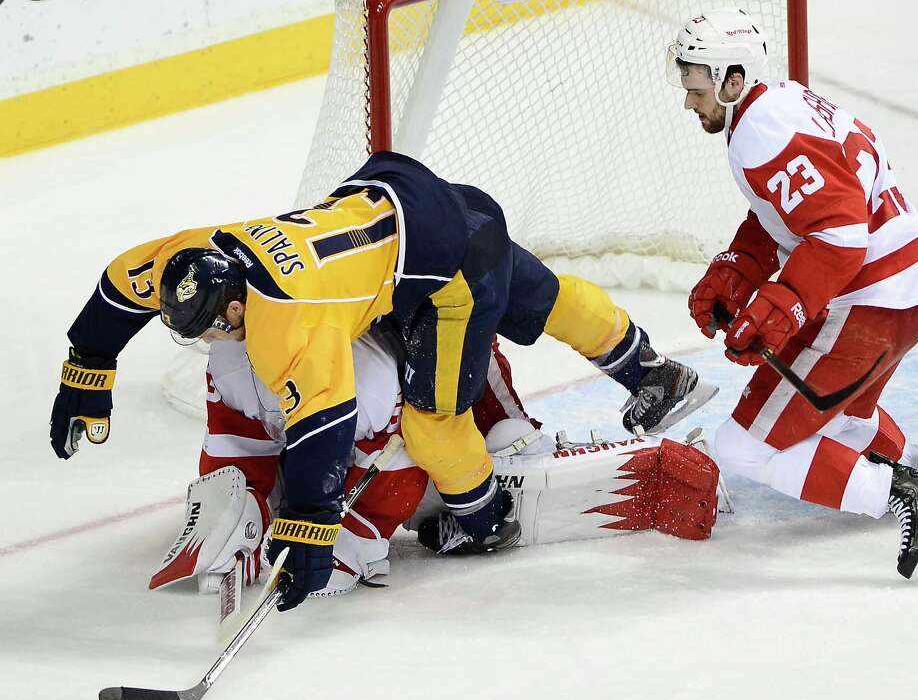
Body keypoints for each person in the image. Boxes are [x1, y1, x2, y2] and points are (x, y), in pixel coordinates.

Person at [49, 152, 717, 610]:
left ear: (233, 307)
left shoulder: (286, 320)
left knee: (430, 418)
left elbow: (327, 420)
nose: (206, 343)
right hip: (403, 196)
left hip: (451, 270)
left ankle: (483, 519)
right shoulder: (207, 248)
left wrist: (310, 526)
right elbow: (120, 283)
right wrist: (89, 366)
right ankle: (652, 372)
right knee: (537, 299)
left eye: (210, 330)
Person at [669, 8, 918, 582]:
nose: (691, 103)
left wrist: (782, 306)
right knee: (840, 417)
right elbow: (789, 211)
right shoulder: (781, 102)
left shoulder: (761, 130)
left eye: (697, 88)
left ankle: (910, 494)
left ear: (733, 78)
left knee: (742, 447)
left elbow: (839, 233)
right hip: (910, 290)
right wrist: (743, 267)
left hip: (870, 302)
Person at [148, 328, 722, 598]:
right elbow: (238, 445)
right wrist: (239, 522)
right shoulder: (234, 358)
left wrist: (349, 537)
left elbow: (404, 456)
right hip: (373, 430)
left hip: (430, 429)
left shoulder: (365, 368)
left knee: (509, 452)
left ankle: (504, 487)